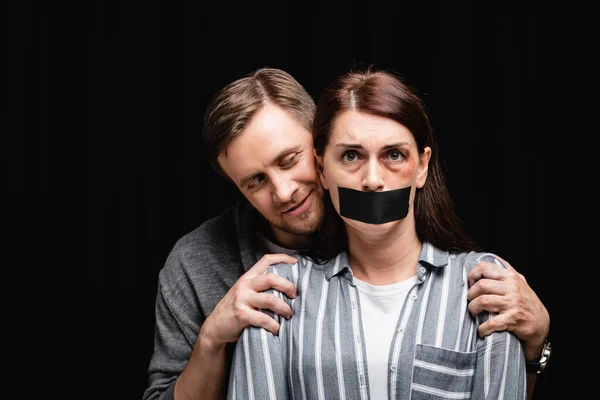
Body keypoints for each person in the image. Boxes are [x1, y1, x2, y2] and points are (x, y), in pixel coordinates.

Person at [143, 67, 550, 400]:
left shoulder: (462, 269)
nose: (284, 191)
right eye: (255, 182)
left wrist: (534, 347)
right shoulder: (205, 267)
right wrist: (213, 337)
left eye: (290, 160)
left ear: (318, 150)